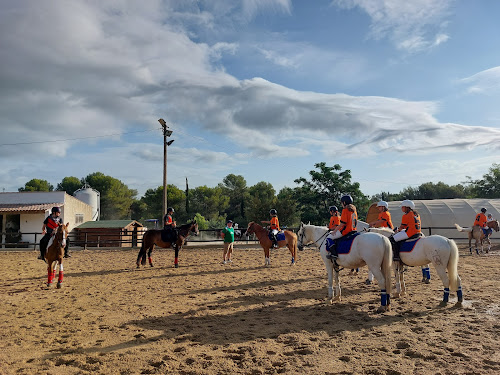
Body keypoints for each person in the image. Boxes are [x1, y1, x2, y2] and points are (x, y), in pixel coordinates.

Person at [326, 195, 357, 260]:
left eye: (342, 203)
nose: (342, 204)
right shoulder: (354, 211)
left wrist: (334, 231)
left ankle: (334, 254)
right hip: (354, 230)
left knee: (329, 237)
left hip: (346, 231)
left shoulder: (345, 210)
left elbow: (343, 223)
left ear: (344, 202)